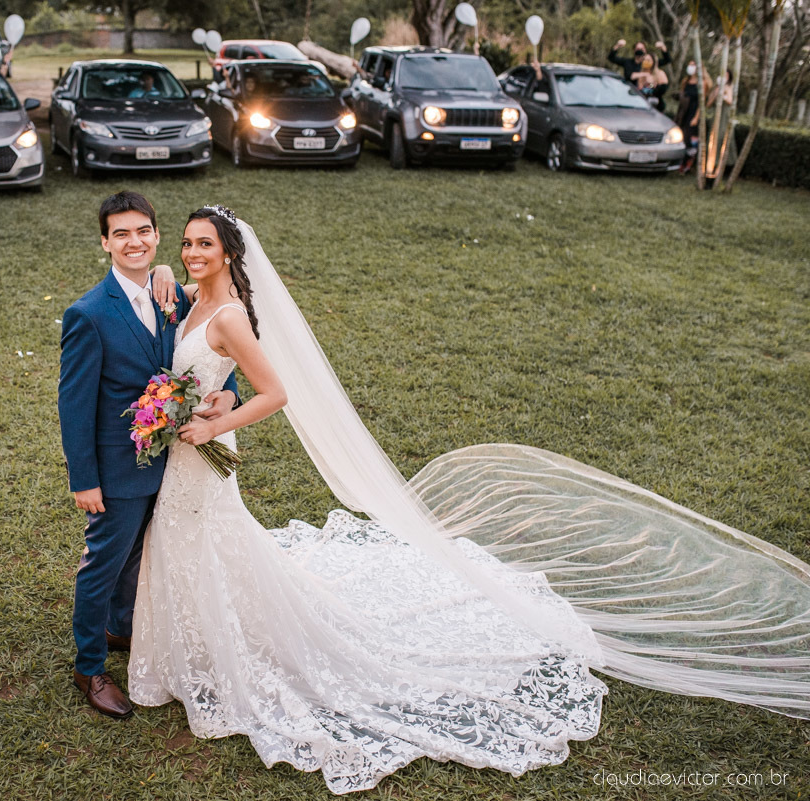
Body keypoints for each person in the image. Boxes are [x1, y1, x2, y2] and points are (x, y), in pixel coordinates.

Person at [130, 206, 810, 794]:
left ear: (229, 254)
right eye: (186, 243)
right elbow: (195, 356)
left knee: (207, 539)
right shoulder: (189, 296)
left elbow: (276, 391)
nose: (191, 253)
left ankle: (220, 651)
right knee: (197, 542)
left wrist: (215, 422)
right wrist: (182, 323)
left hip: (204, 452)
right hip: (188, 458)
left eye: (204, 246)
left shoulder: (229, 316)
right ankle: (199, 645)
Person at [57, 192, 240, 719]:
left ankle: (119, 628)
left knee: (140, 556)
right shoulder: (88, 315)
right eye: (121, 234)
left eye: (143, 232)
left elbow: (209, 358)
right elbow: (74, 407)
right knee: (104, 564)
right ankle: (89, 668)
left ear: (157, 236)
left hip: (175, 462)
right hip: (116, 469)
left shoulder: (175, 298)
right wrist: (84, 479)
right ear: (104, 243)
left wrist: (232, 397)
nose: (133, 242)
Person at [676, 61, 710, 174]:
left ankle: (687, 165)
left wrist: (696, 117)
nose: (690, 67)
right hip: (684, 112)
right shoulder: (686, 81)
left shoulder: (703, 83)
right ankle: (679, 163)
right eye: (689, 64)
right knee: (681, 137)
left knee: (690, 139)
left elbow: (702, 102)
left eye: (693, 65)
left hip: (694, 113)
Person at [706, 69, 738, 175]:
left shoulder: (729, 87)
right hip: (716, 117)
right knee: (712, 139)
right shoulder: (715, 88)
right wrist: (716, 94)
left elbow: (730, 101)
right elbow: (708, 103)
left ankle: (723, 165)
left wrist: (723, 95)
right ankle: (711, 164)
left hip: (725, 117)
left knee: (722, 138)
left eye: (727, 75)